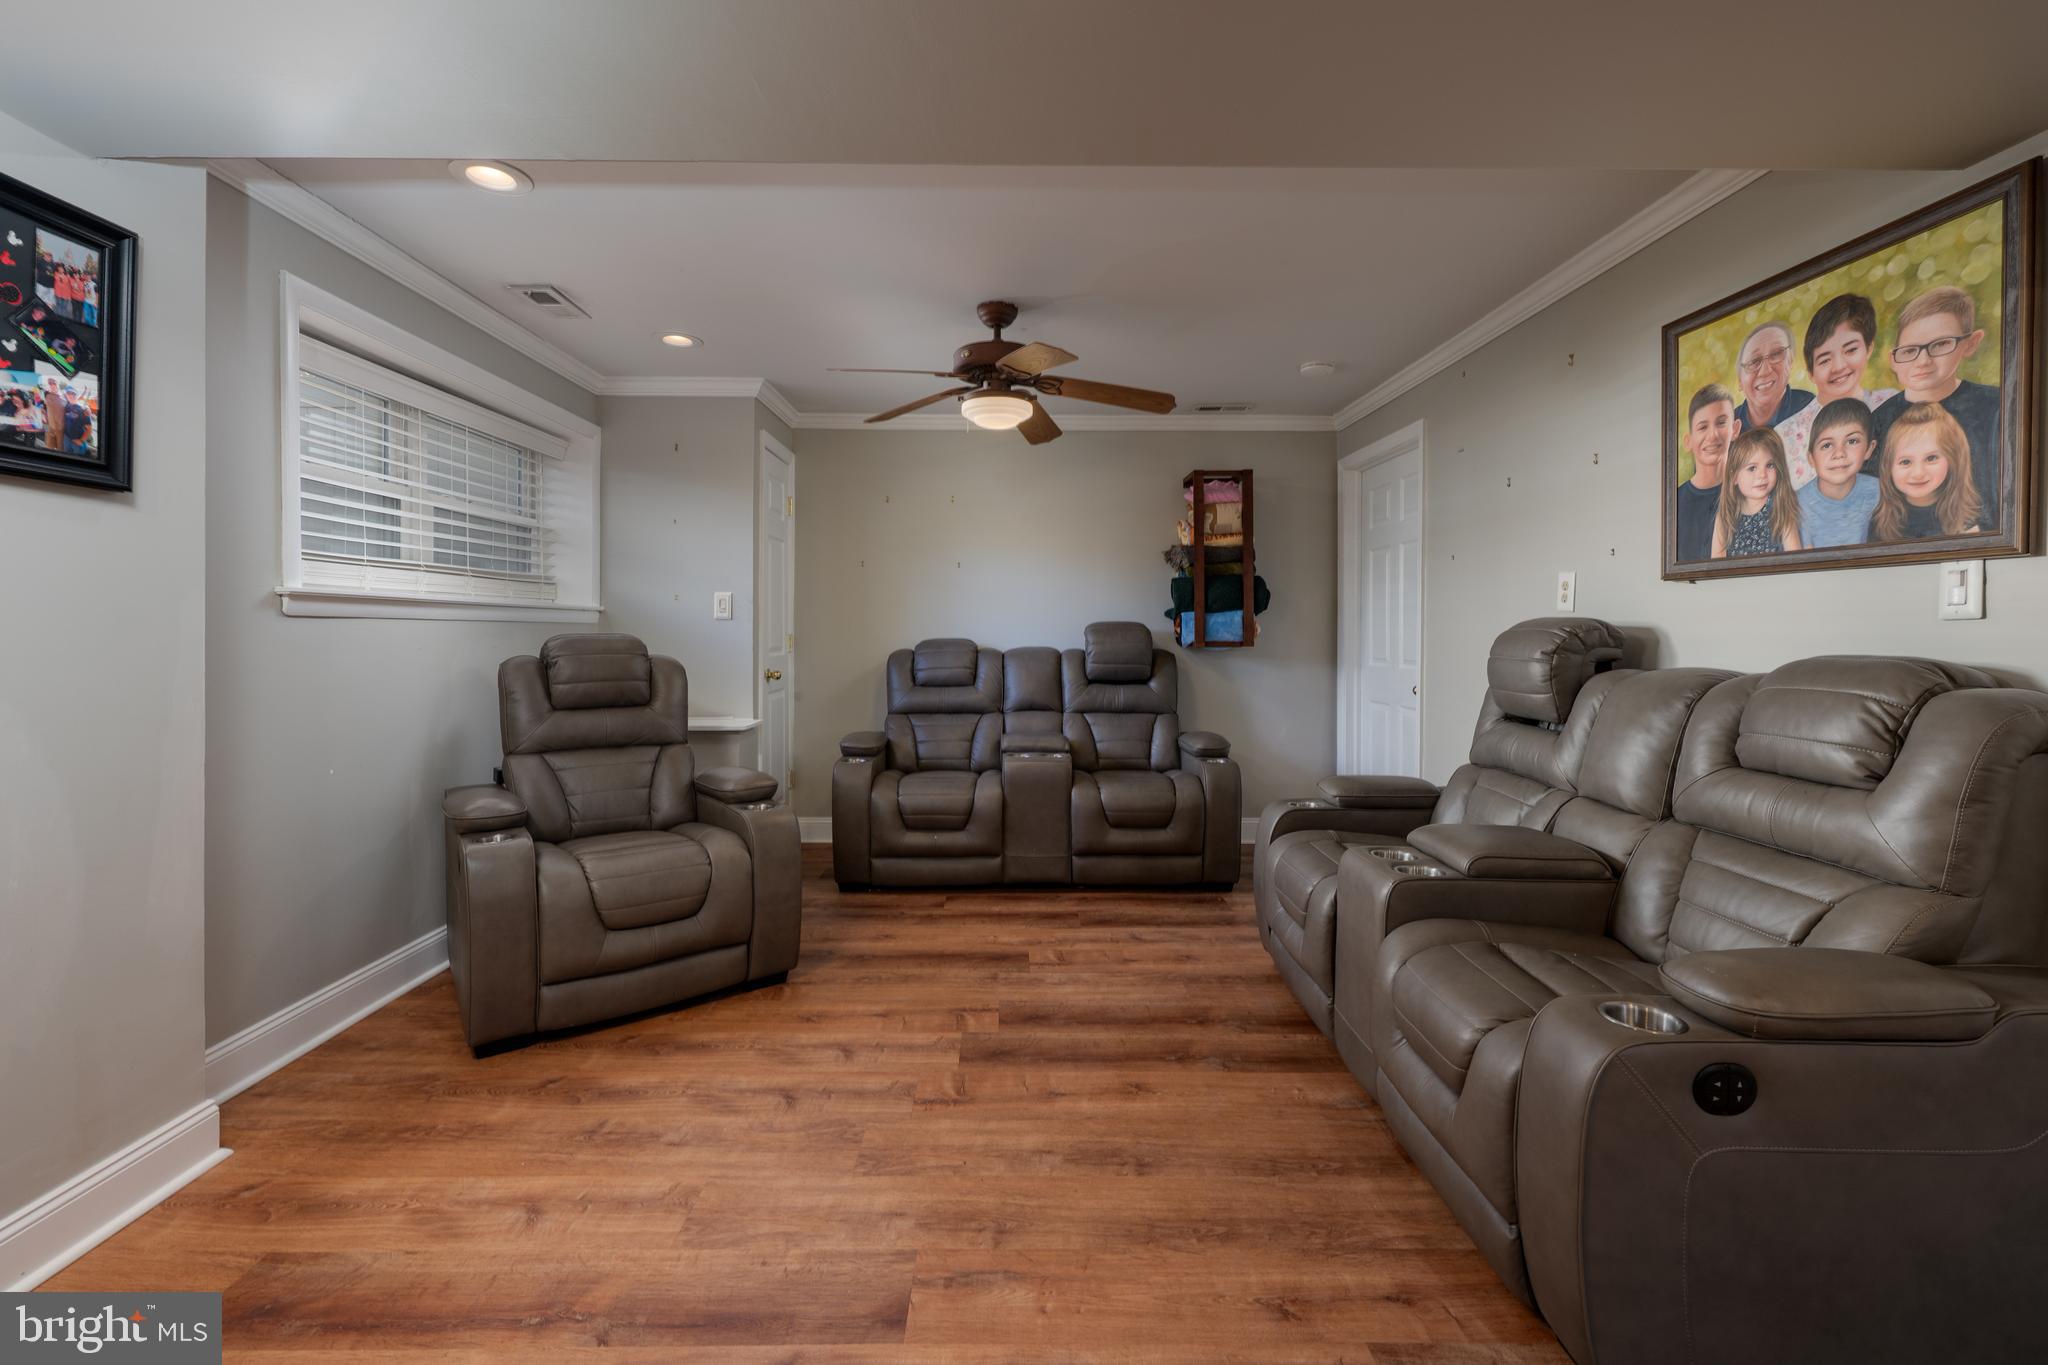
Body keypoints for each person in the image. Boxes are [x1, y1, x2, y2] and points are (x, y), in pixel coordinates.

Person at [1869, 285, 1999, 528]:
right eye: (1909, 350)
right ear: (1893, 360)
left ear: (1970, 343)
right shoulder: (1876, 422)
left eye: (1940, 344)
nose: (1923, 361)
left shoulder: (1997, 408)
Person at [1776, 293, 1899, 486]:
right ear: (1811, 372)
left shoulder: (1892, 404)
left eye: (1850, 350)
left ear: (1868, 348)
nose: (1839, 366)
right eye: (1824, 360)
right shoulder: (1787, 436)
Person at [1873, 402, 1981, 541]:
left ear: (1953, 459)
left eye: (1931, 458)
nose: (1918, 473)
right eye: (1905, 462)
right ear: (1888, 466)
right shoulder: (1877, 521)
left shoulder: (1969, 522)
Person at [1794, 399, 1881, 547]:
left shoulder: (1881, 492)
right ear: (1811, 458)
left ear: (1869, 449)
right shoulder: (1796, 504)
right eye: (1827, 445)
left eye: (1852, 441)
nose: (1839, 453)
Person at [1713, 427, 1802, 557]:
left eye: (1770, 465)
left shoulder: (1781, 511)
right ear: (1734, 477)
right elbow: (1716, 563)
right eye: (1752, 468)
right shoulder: (1725, 516)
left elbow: (1796, 559)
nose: (1762, 475)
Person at [1676, 382, 1738, 561]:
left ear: (1735, 429)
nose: (1712, 435)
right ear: (1688, 441)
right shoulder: (1675, 503)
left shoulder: (1750, 492)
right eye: (1703, 427)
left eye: (1721, 423)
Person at [1732, 321, 1814, 432]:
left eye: (1776, 354)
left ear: (1790, 362)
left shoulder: (1810, 408)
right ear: (1740, 381)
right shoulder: (1728, 427)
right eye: (1754, 361)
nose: (1765, 371)